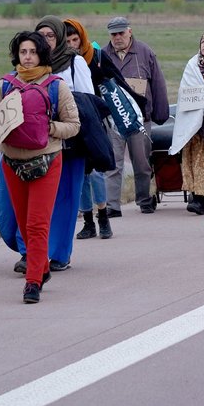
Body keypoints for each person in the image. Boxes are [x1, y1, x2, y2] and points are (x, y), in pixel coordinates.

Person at [0, 31, 79, 303]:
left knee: (37, 223)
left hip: (47, 161)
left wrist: (49, 127)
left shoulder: (57, 86)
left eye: (32, 52)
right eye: (23, 52)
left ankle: (32, 283)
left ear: (42, 54)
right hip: (12, 163)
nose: (27, 58)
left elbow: (74, 125)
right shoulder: (5, 86)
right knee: (23, 224)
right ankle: (41, 268)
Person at [25, 15, 94, 272]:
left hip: (70, 142)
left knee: (65, 198)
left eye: (50, 35)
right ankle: (34, 253)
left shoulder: (74, 62)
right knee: (39, 202)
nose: (45, 41)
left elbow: (88, 101)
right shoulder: (29, 64)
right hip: (39, 143)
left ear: (59, 37)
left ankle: (60, 254)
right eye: (40, 35)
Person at [65, 18, 134, 240]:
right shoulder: (59, 62)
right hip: (70, 122)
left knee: (96, 173)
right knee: (81, 174)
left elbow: (115, 81)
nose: (72, 44)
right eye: (67, 40)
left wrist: (136, 103)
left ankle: (103, 216)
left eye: (75, 39)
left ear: (81, 38)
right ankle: (87, 221)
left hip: (93, 119)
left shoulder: (93, 57)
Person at [102, 16, 169, 216]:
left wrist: (160, 113)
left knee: (142, 162)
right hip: (113, 120)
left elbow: (158, 83)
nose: (117, 37)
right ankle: (112, 205)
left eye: (121, 33)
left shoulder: (145, 52)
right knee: (113, 163)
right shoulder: (102, 55)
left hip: (140, 120)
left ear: (129, 31)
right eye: (113, 34)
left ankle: (144, 199)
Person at [169, 31, 204, 218]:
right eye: (203, 41)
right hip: (195, 121)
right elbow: (186, 91)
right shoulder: (192, 65)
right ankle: (198, 200)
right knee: (197, 161)